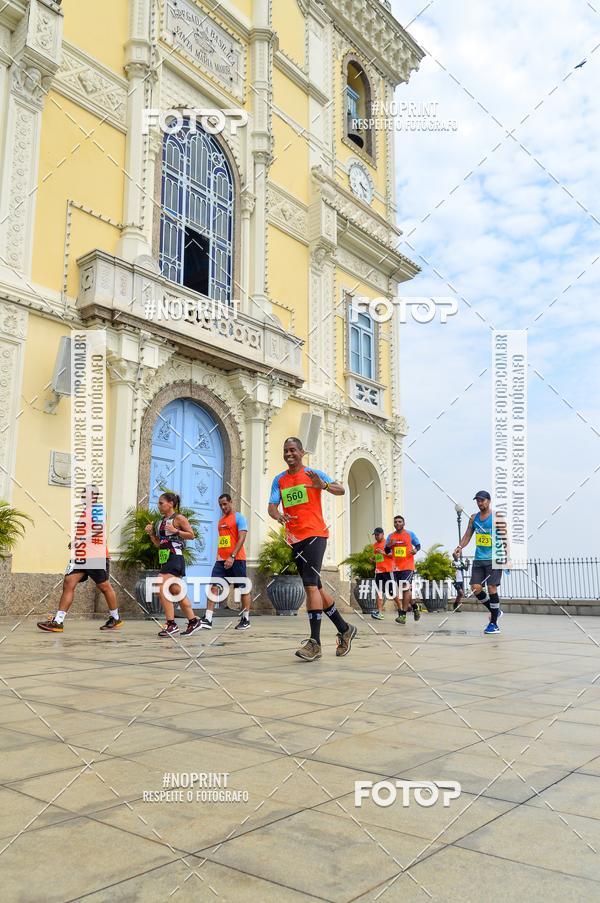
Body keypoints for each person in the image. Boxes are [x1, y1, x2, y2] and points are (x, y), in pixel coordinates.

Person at [268, 437, 357, 661]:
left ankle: (315, 643)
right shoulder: (279, 480)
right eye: (285, 451)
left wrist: (323, 485)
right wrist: (278, 515)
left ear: (301, 452)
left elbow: (341, 489)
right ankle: (344, 628)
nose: (289, 454)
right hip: (295, 539)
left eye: (293, 450)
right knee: (315, 587)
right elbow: (271, 506)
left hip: (315, 535)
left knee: (309, 587)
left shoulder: (313, 475)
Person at [38, 486, 121, 633]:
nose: (83, 496)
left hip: (96, 555)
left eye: (86, 494)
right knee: (68, 583)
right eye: (82, 494)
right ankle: (58, 621)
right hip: (81, 556)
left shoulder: (98, 509)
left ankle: (115, 618)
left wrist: (80, 539)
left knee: (104, 587)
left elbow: (97, 530)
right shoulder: (85, 511)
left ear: (94, 496)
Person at [144, 491, 201, 638]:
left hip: (175, 557)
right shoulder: (161, 521)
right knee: (176, 590)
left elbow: (192, 535)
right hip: (165, 558)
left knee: (160, 585)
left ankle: (171, 624)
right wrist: (151, 534)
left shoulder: (179, 518)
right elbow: (159, 544)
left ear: (171, 503)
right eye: (158, 503)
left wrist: (176, 530)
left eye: (161, 503)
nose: (159, 506)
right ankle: (193, 621)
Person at [454, 490, 507, 634]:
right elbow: (467, 536)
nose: (480, 503)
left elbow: (505, 538)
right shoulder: (473, 518)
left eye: (482, 500)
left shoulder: (497, 517)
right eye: (477, 500)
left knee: (491, 588)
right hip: (479, 559)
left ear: (489, 501)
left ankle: (494, 624)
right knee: (475, 588)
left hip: (494, 558)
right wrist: (459, 547)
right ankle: (495, 611)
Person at [200, 494, 252, 631]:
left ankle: (246, 619)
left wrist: (232, 556)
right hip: (221, 561)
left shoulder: (239, 518)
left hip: (237, 559)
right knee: (214, 587)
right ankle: (208, 619)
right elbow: (224, 541)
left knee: (242, 589)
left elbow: (241, 538)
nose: (223, 507)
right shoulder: (220, 520)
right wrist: (220, 556)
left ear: (231, 502)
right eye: (220, 505)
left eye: (225, 504)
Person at [386, 515, 421, 625]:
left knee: (405, 589)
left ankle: (403, 615)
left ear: (404, 523)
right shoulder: (390, 536)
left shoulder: (410, 534)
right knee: (403, 590)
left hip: (408, 566)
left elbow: (418, 545)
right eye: (395, 522)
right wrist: (389, 546)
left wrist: (415, 550)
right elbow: (386, 551)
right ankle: (415, 606)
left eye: (400, 521)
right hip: (396, 567)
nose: (397, 523)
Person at [370, 527, 394, 620]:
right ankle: (379, 612)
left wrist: (383, 552)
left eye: (378, 534)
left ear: (382, 534)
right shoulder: (375, 545)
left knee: (392, 593)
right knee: (379, 592)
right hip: (379, 572)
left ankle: (401, 610)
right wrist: (374, 559)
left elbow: (392, 555)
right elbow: (380, 558)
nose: (376, 536)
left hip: (388, 571)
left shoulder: (387, 544)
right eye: (375, 535)